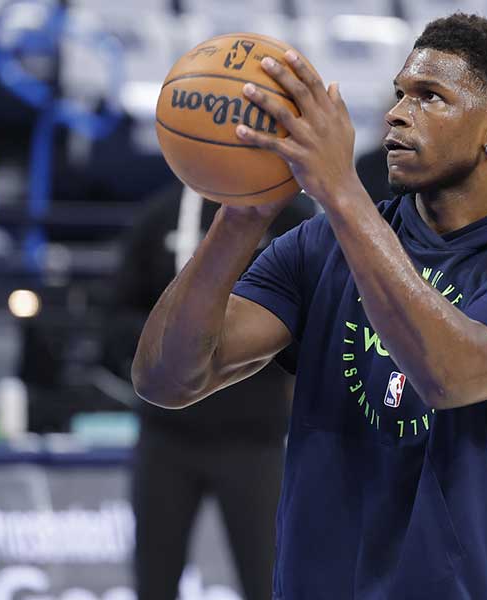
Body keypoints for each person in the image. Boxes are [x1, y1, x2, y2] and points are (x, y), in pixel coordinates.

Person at [132, 13, 487, 599]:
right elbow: (166, 376)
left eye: (429, 97)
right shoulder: (321, 244)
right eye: (398, 94)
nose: (395, 112)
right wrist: (244, 212)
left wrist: (339, 189)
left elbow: (452, 374)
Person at [108, 183, 313, 600]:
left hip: (254, 438)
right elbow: (115, 319)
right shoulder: (157, 216)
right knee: (154, 580)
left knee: (269, 581)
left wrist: (248, 346)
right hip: (166, 435)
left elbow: (310, 315)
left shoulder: (289, 215)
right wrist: (184, 342)